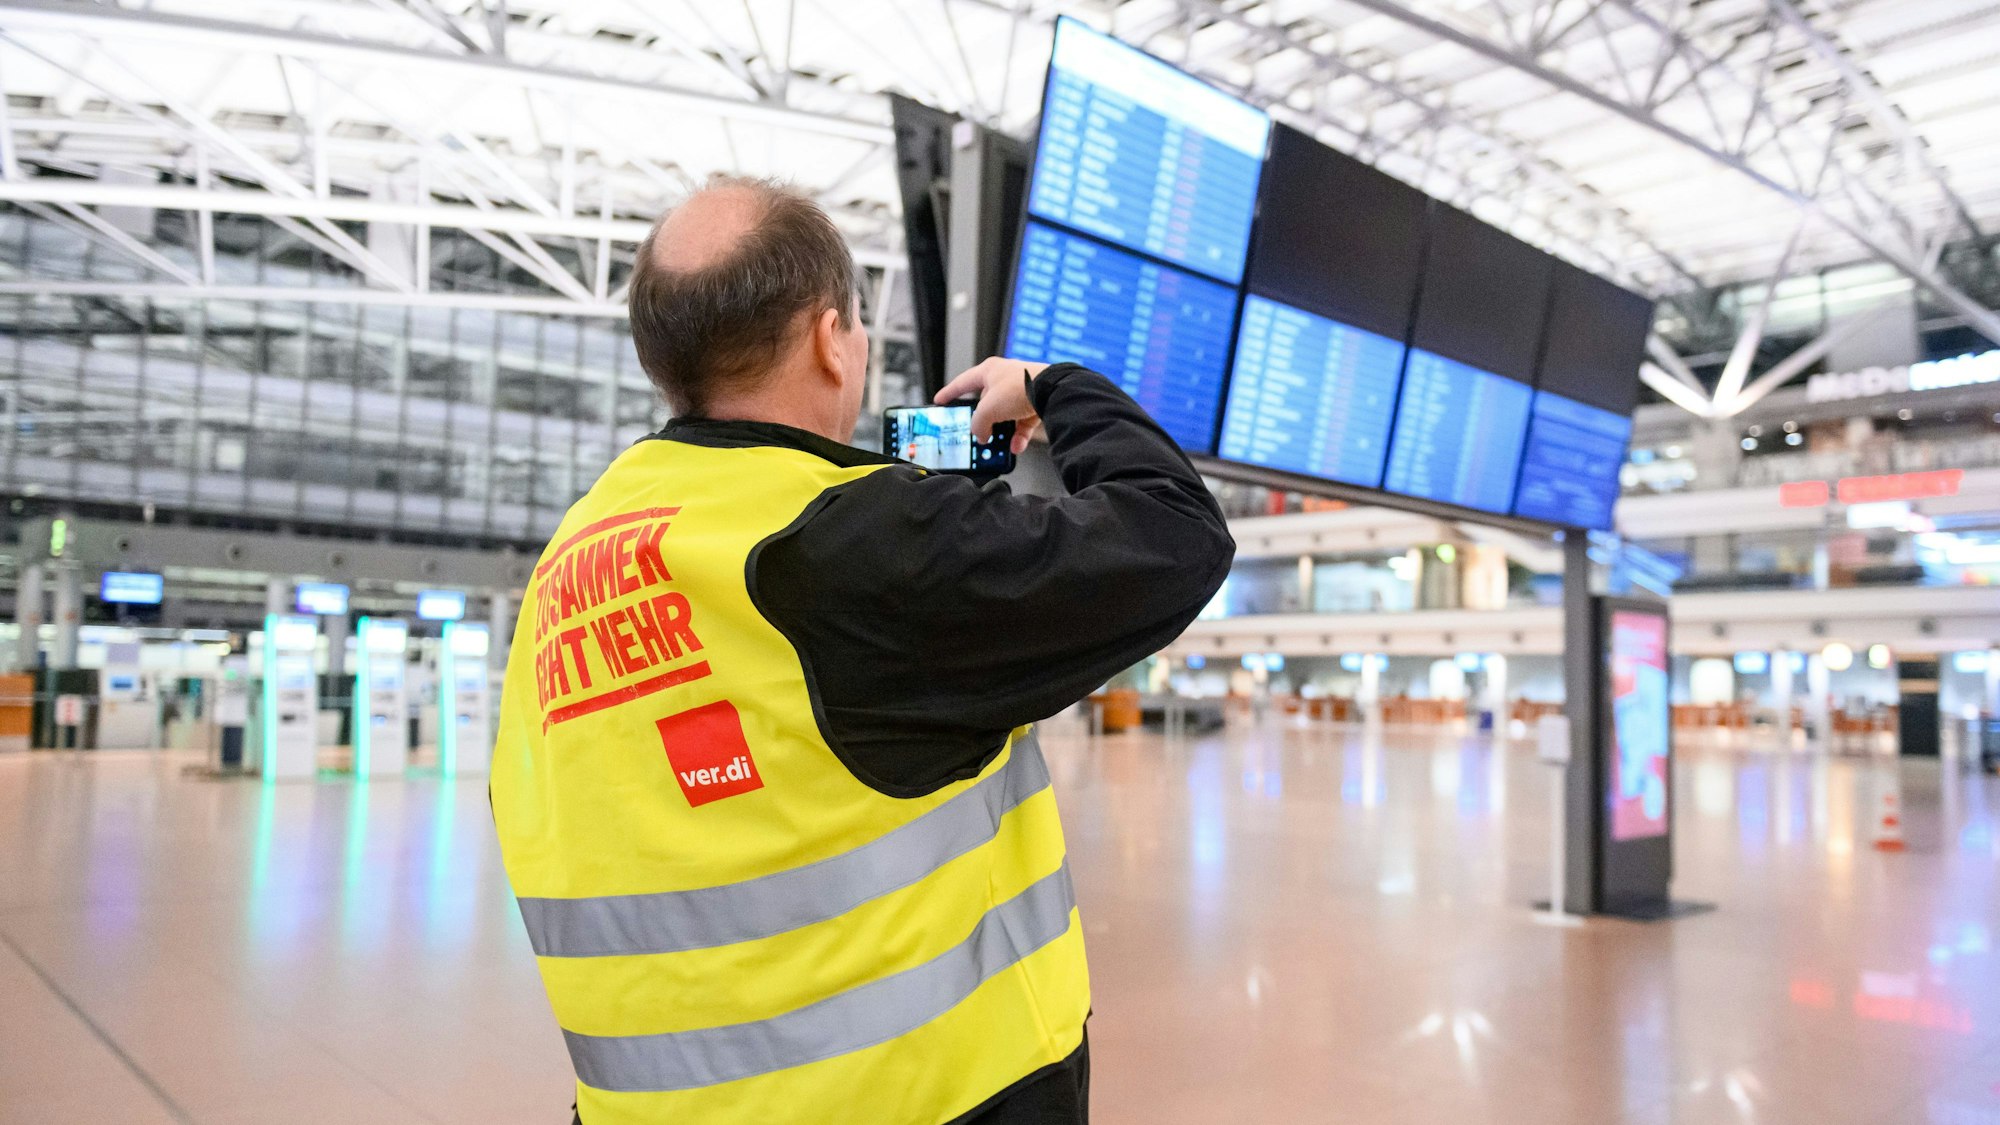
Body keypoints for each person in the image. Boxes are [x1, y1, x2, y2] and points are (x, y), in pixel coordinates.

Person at [489, 175, 1233, 1125]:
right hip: (925, 1099)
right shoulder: (851, 541)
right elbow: (1174, 534)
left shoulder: (570, 560)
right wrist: (1053, 389)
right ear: (827, 339)